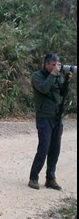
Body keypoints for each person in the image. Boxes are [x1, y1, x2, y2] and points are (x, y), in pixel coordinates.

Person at [28, 53, 71, 191]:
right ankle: (33, 178)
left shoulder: (57, 75)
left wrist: (67, 81)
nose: (56, 67)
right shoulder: (37, 76)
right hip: (44, 116)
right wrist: (53, 74)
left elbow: (62, 94)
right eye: (53, 65)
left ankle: (50, 178)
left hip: (56, 116)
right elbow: (44, 88)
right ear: (46, 64)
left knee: (55, 149)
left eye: (57, 65)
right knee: (44, 147)